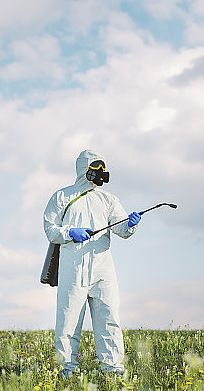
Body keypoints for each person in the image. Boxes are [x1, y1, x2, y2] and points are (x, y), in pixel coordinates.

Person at [43, 149, 141, 378]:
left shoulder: (108, 199)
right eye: (95, 168)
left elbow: (121, 229)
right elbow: (50, 229)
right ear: (83, 169)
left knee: (109, 318)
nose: (100, 173)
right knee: (68, 322)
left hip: (103, 268)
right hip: (72, 267)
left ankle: (113, 369)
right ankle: (66, 369)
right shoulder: (62, 196)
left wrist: (130, 224)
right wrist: (69, 232)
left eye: (102, 169)